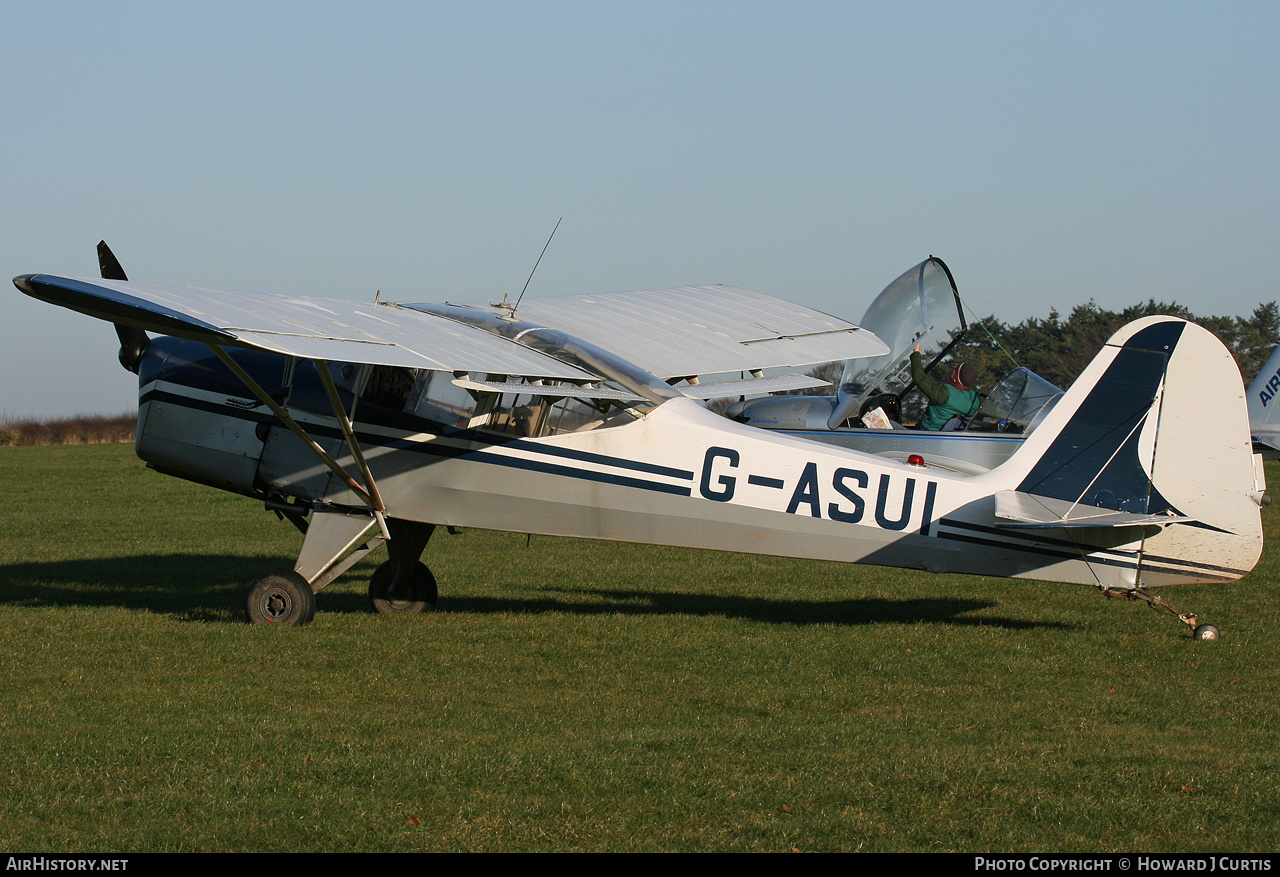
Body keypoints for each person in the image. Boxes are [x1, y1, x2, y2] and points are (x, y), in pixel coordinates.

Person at [911, 343, 981, 431]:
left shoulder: (944, 393)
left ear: (956, 378)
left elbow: (919, 377)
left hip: (927, 434)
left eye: (955, 369)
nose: (953, 369)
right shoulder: (976, 399)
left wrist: (916, 352)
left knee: (891, 425)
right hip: (947, 437)